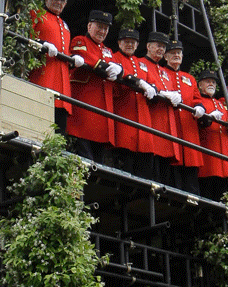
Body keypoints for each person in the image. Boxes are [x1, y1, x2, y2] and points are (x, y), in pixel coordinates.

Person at [68, 10, 120, 163]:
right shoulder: (80, 40)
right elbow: (85, 56)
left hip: (101, 113)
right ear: (89, 26)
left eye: (105, 28)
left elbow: (117, 64)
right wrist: (104, 66)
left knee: (97, 161)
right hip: (84, 109)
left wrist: (119, 69)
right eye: (99, 27)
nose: (102, 31)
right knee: (84, 158)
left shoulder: (108, 50)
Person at [110, 29, 158, 180]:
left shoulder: (141, 63)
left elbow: (154, 83)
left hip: (143, 121)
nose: (130, 45)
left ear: (137, 45)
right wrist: (138, 82)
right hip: (125, 116)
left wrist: (153, 88)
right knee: (125, 166)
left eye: (133, 42)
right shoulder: (113, 57)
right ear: (119, 43)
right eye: (126, 41)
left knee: (144, 169)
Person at [30, 0, 74, 133]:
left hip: (62, 86)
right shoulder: (36, 14)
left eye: (63, 0)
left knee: (59, 132)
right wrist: (42, 44)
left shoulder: (64, 24)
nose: (59, 2)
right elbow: (26, 38)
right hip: (43, 78)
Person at [161, 41, 202, 193]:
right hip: (170, 126)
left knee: (190, 166)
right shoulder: (161, 72)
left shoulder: (189, 78)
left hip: (188, 128)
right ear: (165, 56)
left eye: (179, 53)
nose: (176, 55)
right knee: (172, 168)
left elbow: (197, 98)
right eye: (173, 53)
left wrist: (200, 107)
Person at [142, 32, 182, 184]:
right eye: (158, 45)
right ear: (148, 46)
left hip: (165, 125)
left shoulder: (164, 72)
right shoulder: (142, 63)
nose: (161, 49)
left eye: (163, 47)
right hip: (151, 121)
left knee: (164, 173)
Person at [193, 72, 228, 199]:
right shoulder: (199, 101)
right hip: (208, 152)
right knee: (208, 190)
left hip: (224, 154)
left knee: (223, 192)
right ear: (200, 85)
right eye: (207, 81)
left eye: (213, 82)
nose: (211, 84)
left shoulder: (220, 104)